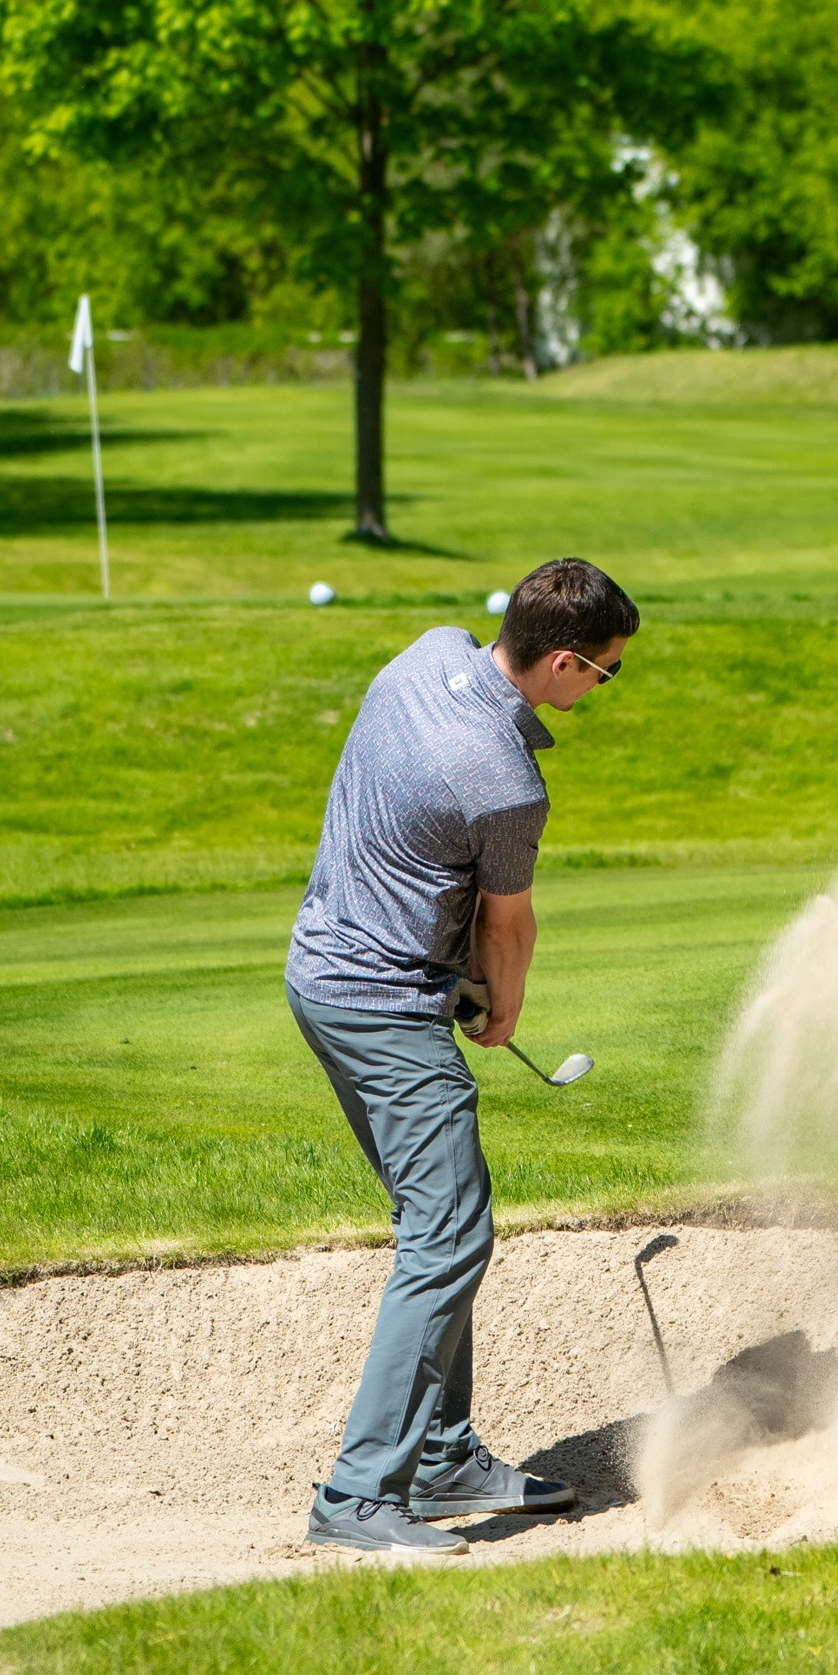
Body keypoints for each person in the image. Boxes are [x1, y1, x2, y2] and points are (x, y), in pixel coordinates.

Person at [287, 554, 638, 1559]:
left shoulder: (425, 654)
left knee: (435, 1216)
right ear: (565, 664)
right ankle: (359, 1497)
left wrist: (458, 969)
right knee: (448, 1236)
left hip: (320, 973)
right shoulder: (506, 781)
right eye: (607, 673)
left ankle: (439, 1456)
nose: (605, 690)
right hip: (382, 1005)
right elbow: (508, 927)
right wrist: (500, 1010)